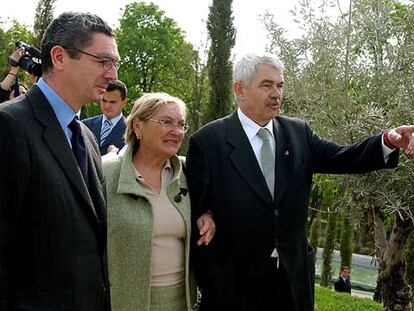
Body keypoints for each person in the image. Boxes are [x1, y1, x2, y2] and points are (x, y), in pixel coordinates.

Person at [186, 53, 414, 311]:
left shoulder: (298, 134)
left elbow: (344, 157)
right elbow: (195, 213)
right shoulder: (208, 142)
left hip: (292, 283)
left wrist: (387, 141)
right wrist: (206, 217)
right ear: (240, 89)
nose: (276, 94)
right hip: (233, 287)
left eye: (280, 85)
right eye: (266, 85)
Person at [0, 12, 119, 310]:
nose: (112, 74)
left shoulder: (86, 137)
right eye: (103, 61)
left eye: (115, 63)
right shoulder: (9, 126)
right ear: (59, 57)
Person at [103, 92, 215, 311]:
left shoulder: (188, 172)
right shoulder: (106, 173)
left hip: (182, 302)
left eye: (181, 124)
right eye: (166, 122)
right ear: (138, 125)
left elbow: (215, 201)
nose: (176, 131)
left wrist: (207, 213)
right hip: (123, 302)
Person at [83, 79, 127, 155]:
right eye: (104, 100)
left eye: (112, 102)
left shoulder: (131, 131)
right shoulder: (85, 125)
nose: (107, 106)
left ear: (124, 103)